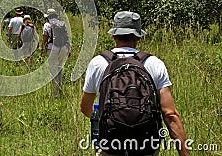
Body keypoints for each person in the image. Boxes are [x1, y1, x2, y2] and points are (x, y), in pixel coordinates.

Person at [80, 11, 189, 156]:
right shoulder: (154, 64)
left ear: (113, 35)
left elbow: (85, 108)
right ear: (139, 36)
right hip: (145, 145)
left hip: (111, 145)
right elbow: (170, 114)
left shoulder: (98, 63)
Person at [41, 8, 70, 98]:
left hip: (52, 48)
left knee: (53, 70)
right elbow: (67, 37)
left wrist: (42, 50)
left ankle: (55, 94)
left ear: (48, 16)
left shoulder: (47, 25)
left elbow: (45, 39)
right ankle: (60, 90)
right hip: (63, 48)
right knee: (60, 69)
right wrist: (68, 49)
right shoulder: (62, 24)